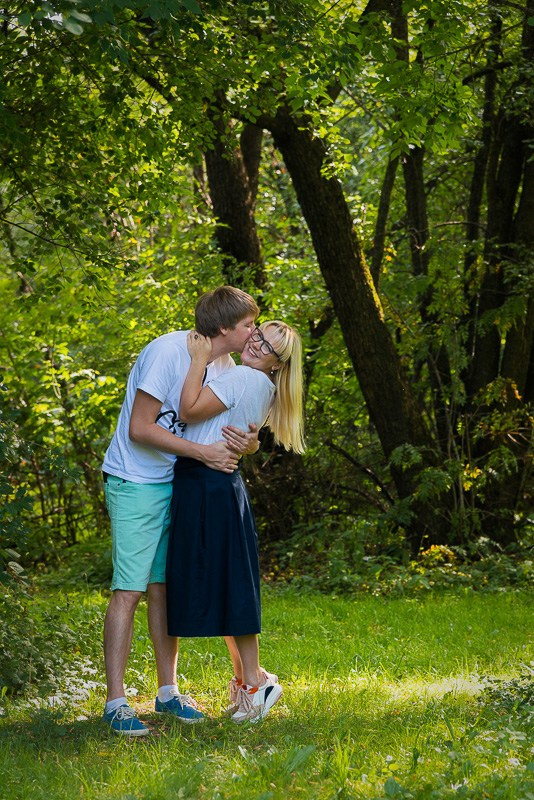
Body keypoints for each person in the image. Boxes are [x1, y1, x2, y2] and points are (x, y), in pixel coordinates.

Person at [101, 286, 261, 736]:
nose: (253, 332)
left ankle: (167, 693)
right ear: (226, 328)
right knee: (128, 591)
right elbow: (139, 428)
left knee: (163, 591)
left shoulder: (226, 364)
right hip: (136, 482)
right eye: (249, 324)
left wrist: (249, 442)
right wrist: (202, 454)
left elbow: (232, 425)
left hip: (179, 486)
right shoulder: (168, 352)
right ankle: (115, 703)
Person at [166, 320, 305, 723]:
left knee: (233, 586)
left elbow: (188, 411)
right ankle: (252, 680)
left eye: (269, 346)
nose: (257, 343)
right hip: (214, 484)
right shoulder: (258, 383)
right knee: (228, 585)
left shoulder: (245, 376)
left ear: (277, 364)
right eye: (259, 334)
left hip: (211, 485)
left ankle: (256, 685)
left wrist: (197, 358)